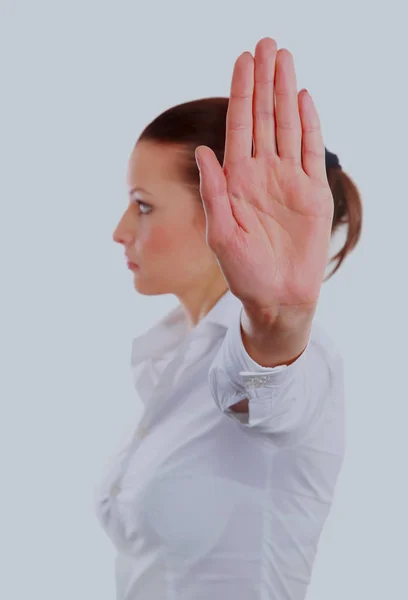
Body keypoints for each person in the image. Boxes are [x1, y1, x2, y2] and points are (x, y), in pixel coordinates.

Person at [94, 37, 363, 600]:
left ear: (226, 209)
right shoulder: (171, 355)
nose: (120, 230)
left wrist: (278, 317)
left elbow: (268, 387)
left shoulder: (303, 361)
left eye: (143, 204)